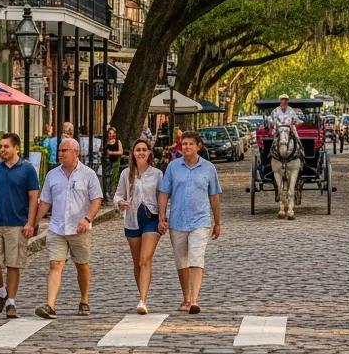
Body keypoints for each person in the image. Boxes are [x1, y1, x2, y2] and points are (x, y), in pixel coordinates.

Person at [34, 137, 103, 319]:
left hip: (79, 229)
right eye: (60, 151)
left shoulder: (88, 174)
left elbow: (97, 199)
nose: (60, 154)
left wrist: (87, 219)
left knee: (82, 265)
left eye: (64, 151)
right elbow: (45, 202)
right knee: (55, 264)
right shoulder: (52, 175)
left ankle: (84, 299)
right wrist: (32, 222)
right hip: (57, 227)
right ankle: (50, 305)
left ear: (76, 153)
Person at [0, 132, 40, 320]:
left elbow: (33, 197)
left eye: (6, 146)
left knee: (13, 264)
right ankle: (1, 291)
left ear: (16, 148)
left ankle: (11, 302)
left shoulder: (27, 169)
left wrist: (30, 222)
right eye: (1, 146)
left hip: (17, 223)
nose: (2, 149)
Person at [157, 130, 222, 314]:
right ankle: (185, 297)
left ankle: (194, 299)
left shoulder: (209, 168)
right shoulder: (173, 167)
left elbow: (214, 196)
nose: (186, 147)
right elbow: (164, 193)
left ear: (198, 146)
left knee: (196, 258)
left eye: (190, 144)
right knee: (181, 262)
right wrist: (162, 217)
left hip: (200, 221)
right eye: (184, 144)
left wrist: (217, 222)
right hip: (177, 221)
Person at [114, 137, 163, 314]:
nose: (141, 152)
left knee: (145, 259)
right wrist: (120, 203)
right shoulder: (126, 174)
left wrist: (164, 219)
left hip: (152, 219)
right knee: (137, 263)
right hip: (132, 220)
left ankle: (142, 300)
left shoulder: (157, 174)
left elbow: (163, 198)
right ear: (133, 154)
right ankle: (142, 293)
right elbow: (117, 195)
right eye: (138, 150)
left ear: (149, 153)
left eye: (144, 149)